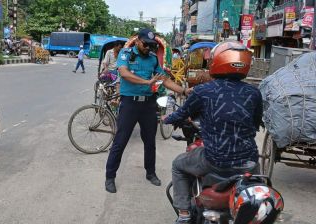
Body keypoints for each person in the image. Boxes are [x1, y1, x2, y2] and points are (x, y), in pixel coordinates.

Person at [162, 41, 263, 224]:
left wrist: (167, 119)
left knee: (178, 165)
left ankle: (184, 214)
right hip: (249, 162)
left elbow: (182, 114)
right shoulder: (254, 93)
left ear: (217, 62)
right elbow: (255, 124)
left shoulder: (203, 91)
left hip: (215, 160)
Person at [105, 29, 190, 193]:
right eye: (145, 44)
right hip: (130, 104)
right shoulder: (126, 53)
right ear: (137, 41)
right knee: (120, 142)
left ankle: (150, 173)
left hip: (148, 105)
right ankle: (110, 177)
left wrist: (184, 91)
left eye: (151, 46)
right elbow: (124, 73)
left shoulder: (152, 58)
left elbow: (164, 79)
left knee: (150, 142)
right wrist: (147, 82)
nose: (148, 48)